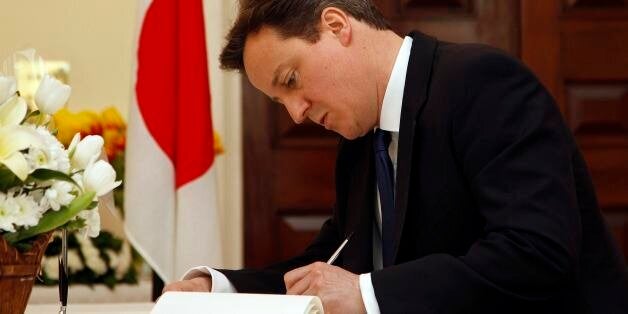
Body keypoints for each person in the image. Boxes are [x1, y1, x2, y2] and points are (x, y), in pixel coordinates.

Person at [163, 0, 628, 313]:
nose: (297, 113)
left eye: (290, 81)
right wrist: (218, 289)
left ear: (336, 25)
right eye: (280, 101)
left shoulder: (482, 82)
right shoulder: (360, 138)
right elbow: (329, 265)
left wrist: (367, 294)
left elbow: (536, 253)